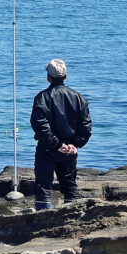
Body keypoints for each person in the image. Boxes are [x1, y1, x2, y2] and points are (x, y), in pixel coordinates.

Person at [30, 59, 92, 210]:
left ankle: (42, 220)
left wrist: (57, 145)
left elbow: (40, 126)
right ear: (65, 76)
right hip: (70, 150)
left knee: (43, 186)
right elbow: (86, 126)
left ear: (48, 77)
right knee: (70, 186)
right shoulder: (79, 98)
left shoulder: (42, 98)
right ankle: (73, 217)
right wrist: (75, 144)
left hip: (47, 149)